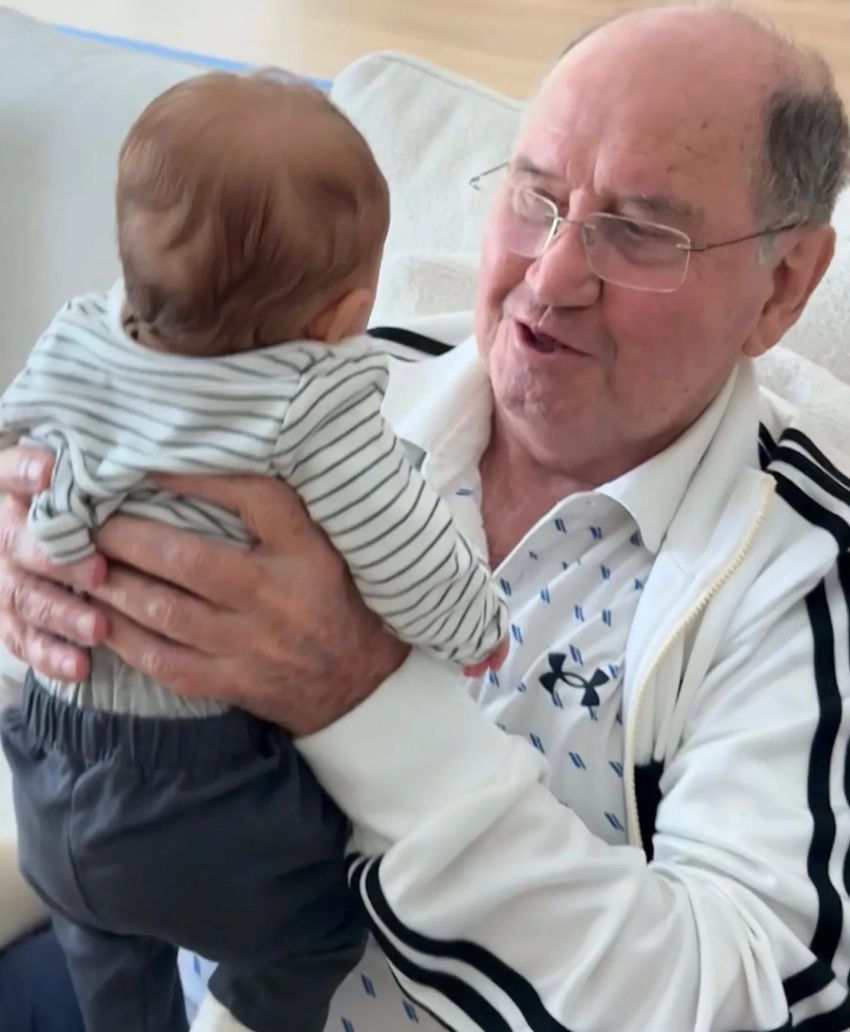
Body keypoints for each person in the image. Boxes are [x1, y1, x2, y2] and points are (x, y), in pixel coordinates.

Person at [0, 4, 849, 1031]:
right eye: (535, 196)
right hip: (119, 939)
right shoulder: (338, 380)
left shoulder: (799, 580)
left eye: (637, 231)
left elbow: (743, 997)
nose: (550, 277)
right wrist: (38, 572)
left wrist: (360, 694)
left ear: (784, 285)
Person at [0, 71, 506, 1032]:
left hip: (47, 756)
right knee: (313, 930)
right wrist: (475, 624)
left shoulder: (77, 334)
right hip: (193, 784)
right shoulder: (313, 401)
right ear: (336, 317)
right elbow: (401, 548)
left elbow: (13, 447)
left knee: (105, 946)